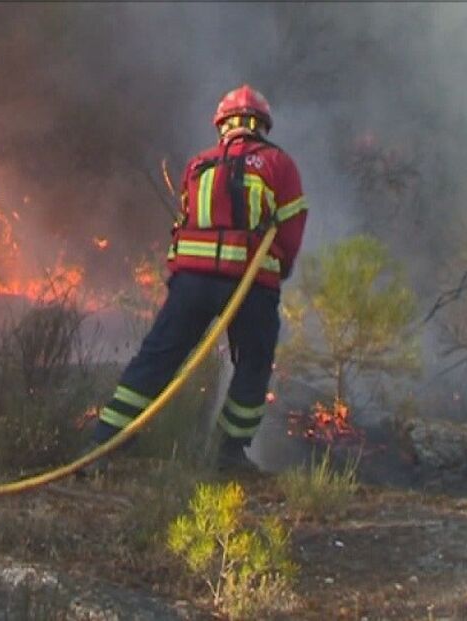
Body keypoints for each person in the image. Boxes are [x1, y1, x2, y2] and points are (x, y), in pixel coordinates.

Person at [88, 84, 309, 472]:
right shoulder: (279, 164)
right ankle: (229, 453)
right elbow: (291, 230)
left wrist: (179, 280)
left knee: (158, 356)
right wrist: (280, 270)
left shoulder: (199, 164)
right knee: (253, 363)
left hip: (191, 282)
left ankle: (104, 442)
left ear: (223, 124)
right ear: (261, 125)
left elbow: (185, 223)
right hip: (249, 283)